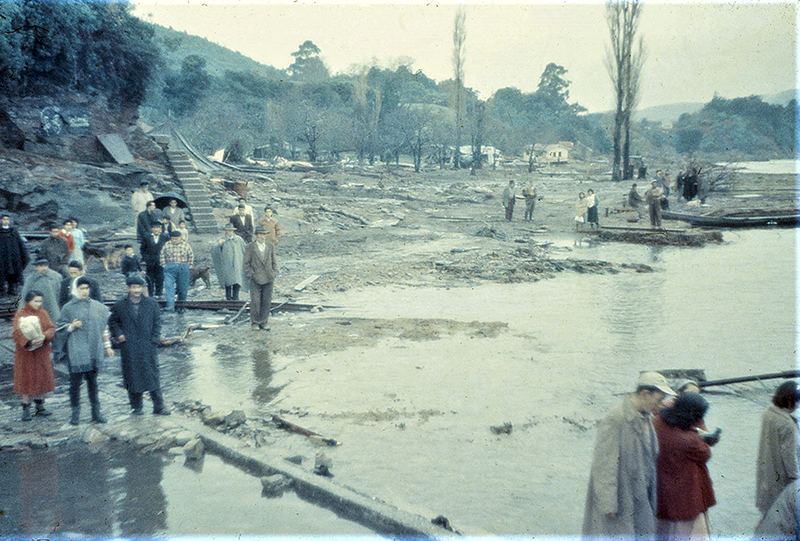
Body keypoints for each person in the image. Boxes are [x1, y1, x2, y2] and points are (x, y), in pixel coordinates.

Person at [583, 371, 676, 539]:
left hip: (640, 493)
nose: (661, 405)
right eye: (659, 399)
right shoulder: (615, 418)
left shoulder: (646, 417)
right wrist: (608, 504)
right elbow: (604, 465)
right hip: (620, 498)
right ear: (645, 393)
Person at [653, 392, 716, 540]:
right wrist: (701, 430)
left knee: (664, 529)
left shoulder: (658, 421)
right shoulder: (689, 440)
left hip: (662, 487)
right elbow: (706, 453)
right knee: (689, 530)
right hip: (685, 493)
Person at [109, 275, 170, 416]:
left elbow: (157, 323)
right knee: (132, 377)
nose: (136, 290)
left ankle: (159, 407)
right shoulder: (120, 305)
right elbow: (113, 322)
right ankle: (137, 407)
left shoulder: (151, 304)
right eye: (133, 287)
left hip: (148, 346)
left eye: (139, 287)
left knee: (152, 376)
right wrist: (119, 334)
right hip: (129, 347)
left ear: (143, 288)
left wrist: (154, 340)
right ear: (128, 288)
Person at [58, 277, 114, 425]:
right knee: (75, 383)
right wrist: (71, 326)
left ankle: (96, 413)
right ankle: (75, 414)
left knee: (93, 383)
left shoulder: (98, 307)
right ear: (76, 289)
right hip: (76, 350)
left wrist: (107, 346)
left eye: (87, 288)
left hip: (93, 349)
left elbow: (104, 328)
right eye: (81, 288)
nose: (84, 291)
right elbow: (59, 328)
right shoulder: (68, 308)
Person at [756, 381, 800, 515]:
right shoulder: (787, 424)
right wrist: (795, 478)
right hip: (781, 476)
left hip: (767, 471)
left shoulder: (768, 412)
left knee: (768, 510)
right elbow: (789, 455)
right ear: (791, 401)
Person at [12, 290, 57, 421]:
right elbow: (16, 333)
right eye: (36, 301)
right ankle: (25, 408)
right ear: (28, 301)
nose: (39, 304)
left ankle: (40, 407)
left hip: (41, 352)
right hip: (26, 354)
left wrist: (44, 336)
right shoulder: (20, 314)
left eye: (40, 301)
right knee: (26, 380)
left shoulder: (43, 313)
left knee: (41, 378)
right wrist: (29, 341)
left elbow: (51, 328)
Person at [243, 227, 276, 330]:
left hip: (268, 277)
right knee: (255, 301)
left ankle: (264, 322)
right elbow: (246, 263)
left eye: (264, 234)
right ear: (256, 236)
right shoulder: (250, 247)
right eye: (260, 234)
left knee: (267, 301)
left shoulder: (270, 246)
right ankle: (255, 323)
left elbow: (274, 261)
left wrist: (274, 273)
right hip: (255, 278)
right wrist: (251, 275)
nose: (262, 237)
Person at [160, 229, 194, 313]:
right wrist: (164, 265)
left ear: (180, 237)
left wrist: (189, 266)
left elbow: (191, 255)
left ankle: (181, 306)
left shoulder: (186, 245)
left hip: (183, 267)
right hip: (170, 268)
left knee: (183, 288)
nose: (175, 240)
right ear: (171, 238)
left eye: (177, 238)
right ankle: (170, 306)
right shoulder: (167, 245)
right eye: (173, 238)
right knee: (169, 286)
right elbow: (162, 255)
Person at [20, 259, 62, 323]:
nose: (44, 268)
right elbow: (24, 295)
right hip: (36, 307)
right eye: (41, 266)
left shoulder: (56, 277)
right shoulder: (30, 279)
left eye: (45, 266)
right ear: (36, 267)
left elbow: (61, 293)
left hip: (53, 306)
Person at [211, 223, 246, 301]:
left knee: (237, 280)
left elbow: (244, 250)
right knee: (228, 281)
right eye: (227, 231)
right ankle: (228, 298)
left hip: (237, 263)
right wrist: (219, 245)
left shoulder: (239, 239)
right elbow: (214, 250)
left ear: (233, 231)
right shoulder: (222, 239)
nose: (229, 232)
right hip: (226, 264)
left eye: (231, 230)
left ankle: (236, 297)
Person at [0, 213, 29, 297]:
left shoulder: (13, 231)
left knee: (12, 272)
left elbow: (19, 244)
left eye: (7, 219)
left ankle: (11, 288)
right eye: (4, 219)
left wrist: (22, 254)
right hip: (2, 257)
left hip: (12, 257)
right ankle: (1, 290)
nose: (6, 221)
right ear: (1, 220)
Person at [141, 222, 168, 298]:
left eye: (158, 228)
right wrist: (146, 258)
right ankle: (150, 294)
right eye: (155, 228)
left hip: (161, 261)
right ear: (151, 229)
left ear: (160, 229)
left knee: (160, 277)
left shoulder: (165, 237)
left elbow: (167, 249)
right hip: (150, 261)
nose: (156, 230)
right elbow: (143, 249)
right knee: (150, 277)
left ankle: (159, 293)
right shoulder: (146, 237)